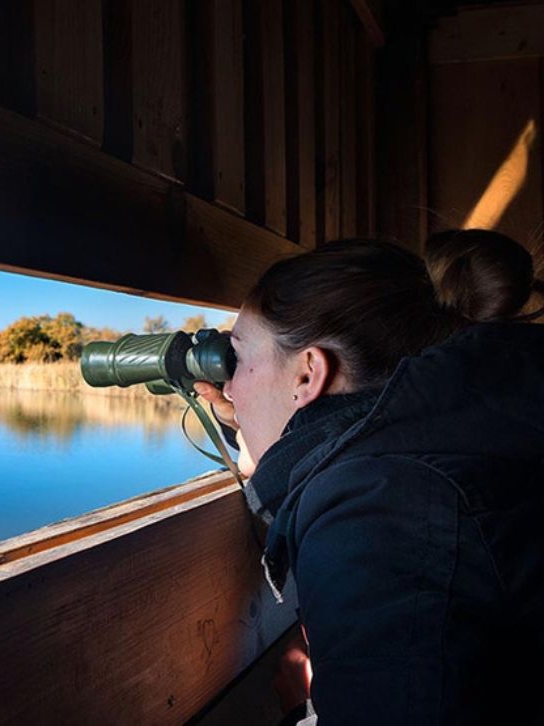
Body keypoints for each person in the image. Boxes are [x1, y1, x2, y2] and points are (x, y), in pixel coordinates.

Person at [191, 230, 544, 724]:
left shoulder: (371, 513)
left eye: (239, 358)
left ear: (307, 375)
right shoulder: (444, 442)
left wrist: (303, 709)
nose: (229, 385)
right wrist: (271, 442)